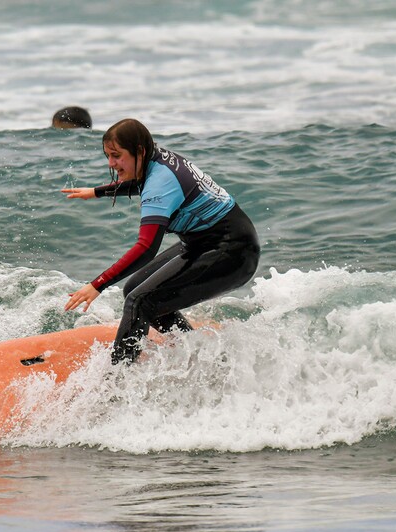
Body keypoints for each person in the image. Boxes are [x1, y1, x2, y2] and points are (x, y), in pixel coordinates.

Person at [62, 118, 260, 365]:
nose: (111, 163)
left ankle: (117, 382)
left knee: (140, 301)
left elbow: (145, 248)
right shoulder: (155, 159)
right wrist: (97, 191)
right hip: (206, 241)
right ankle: (191, 351)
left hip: (232, 251)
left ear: (139, 151)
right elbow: (141, 182)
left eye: (116, 156)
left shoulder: (161, 181)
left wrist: (97, 285)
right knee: (133, 288)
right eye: (107, 156)